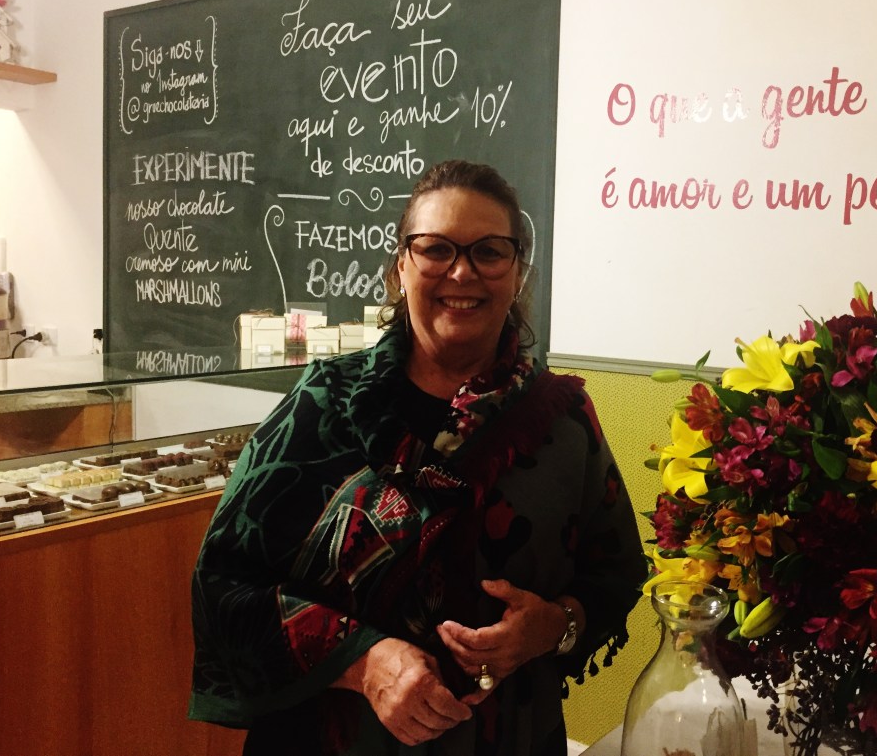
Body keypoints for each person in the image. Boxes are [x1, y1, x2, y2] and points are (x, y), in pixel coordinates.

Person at [189, 159, 647, 755]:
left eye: (490, 251)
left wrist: (553, 626)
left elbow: (616, 573)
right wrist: (363, 662)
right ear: (401, 267)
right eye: (436, 249)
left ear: (517, 274)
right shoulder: (323, 406)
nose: (462, 272)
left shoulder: (561, 420)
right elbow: (223, 586)